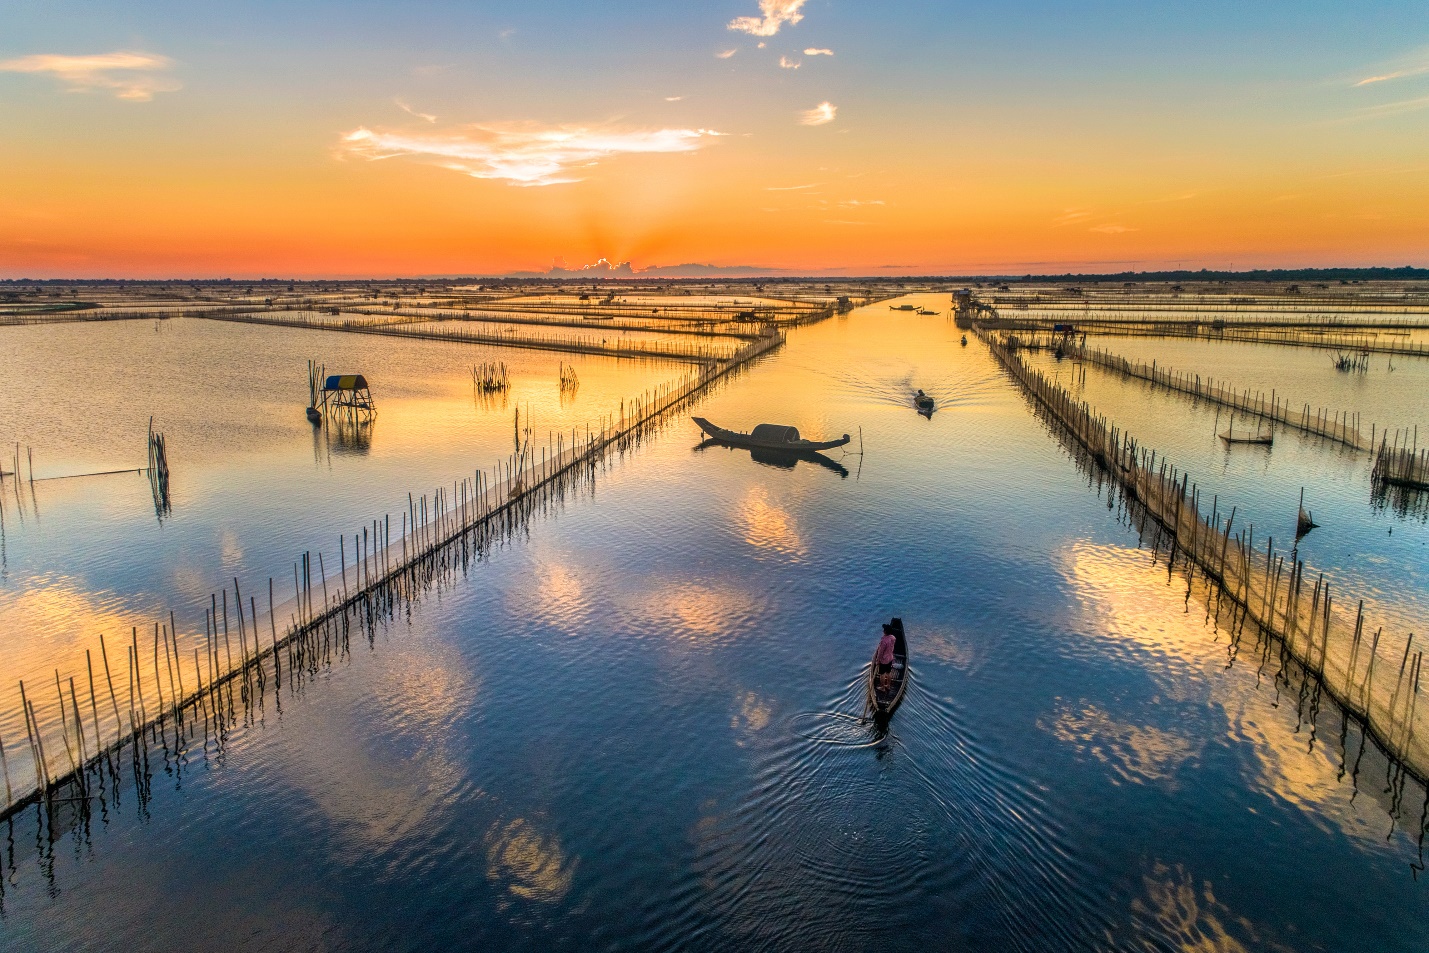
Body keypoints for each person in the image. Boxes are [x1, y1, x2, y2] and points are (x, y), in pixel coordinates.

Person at [875, 623, 897, 692]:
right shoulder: (893, 638)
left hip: (884, 660)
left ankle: (882, 687)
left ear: (885, 632)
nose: (883, 631)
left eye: (884, 630)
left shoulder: (884, 641)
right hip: (890, 658)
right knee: (888, 673)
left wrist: (878, 660)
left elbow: (880, 652)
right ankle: (888, 685)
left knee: (882, 674)